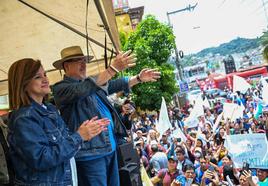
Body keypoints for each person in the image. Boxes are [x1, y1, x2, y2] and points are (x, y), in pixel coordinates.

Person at [52, 46, 161, 186]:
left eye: (84, 60)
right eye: (79, 61)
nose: (84, 64)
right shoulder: (61, 88)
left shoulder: (90, 84)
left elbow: (112, 85)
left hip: (110, 150)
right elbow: (83, 89)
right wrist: (112, 69)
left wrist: (138, 78)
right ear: (66, 66)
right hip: (89, 156)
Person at [7, 58, 110, 185]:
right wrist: (79, 136)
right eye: (37, 77)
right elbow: (41, 158)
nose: (45, 79)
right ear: (23, 83)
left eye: (45, 74)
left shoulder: (49, 109)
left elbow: (62, 145)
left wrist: (84, 132)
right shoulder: (24, 118)